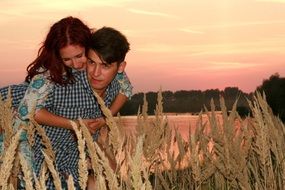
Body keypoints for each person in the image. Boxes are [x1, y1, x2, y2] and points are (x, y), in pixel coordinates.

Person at [0, 17, 132, 189]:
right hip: (20, 137)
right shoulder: (51, 79)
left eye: (80, 56)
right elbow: (26, 109)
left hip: (65, 157)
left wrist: (106, 117)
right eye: (68, 59)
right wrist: (76, 124)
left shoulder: (113, 77)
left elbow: (126, 90)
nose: (77, 64)